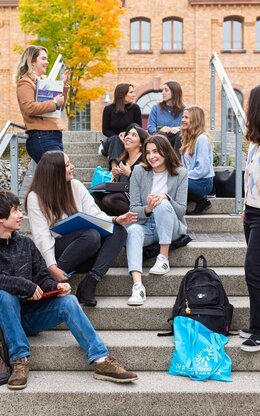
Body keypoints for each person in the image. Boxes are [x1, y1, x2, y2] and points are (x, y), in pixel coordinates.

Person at [0, 191, 138, 390]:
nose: (21, 215)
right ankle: (19, 361)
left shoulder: (25, 244)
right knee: (4, 295)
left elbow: (41, 276)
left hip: (29, 316)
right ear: (2, 218)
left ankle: (101, 360)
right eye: (15, 211)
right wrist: (26, 286)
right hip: (5, 319)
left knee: (69, 301)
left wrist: (55, 286)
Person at [25, 151, 138, 308]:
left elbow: (94, 213)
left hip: (85, 250)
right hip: (58, 254)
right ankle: (52, 282)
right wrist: (52, 267)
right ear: (54, 170)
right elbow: (41, 236)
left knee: (119, 230)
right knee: (90, 235)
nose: (72, 167)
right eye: (67, 165)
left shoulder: (76, 186)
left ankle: (90, 283)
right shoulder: (36, 197)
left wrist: (115, 219)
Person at [125, 134, 188, 306]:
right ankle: (138, 286)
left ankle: (163, 258)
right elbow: (134, 209)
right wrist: (148, 208)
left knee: (162, 203)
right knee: (132, 230)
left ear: (166, 152)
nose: (151, 156)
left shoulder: (180, 173)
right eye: (148, 152)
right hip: (147, 225)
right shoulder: (138, 171)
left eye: (156, 151)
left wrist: (165, 197)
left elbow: (182, 210)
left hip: (171, 225)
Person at [16, 45, 70, 163]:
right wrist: (54, 102)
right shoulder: (25, 82)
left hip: (53, 135)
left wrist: (63, 85)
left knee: (56, 178)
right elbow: (29, 108)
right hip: (41, 137)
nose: (47, 62)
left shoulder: (43, 83)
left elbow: (58, 109)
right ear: (32, 61)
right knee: (58, 175)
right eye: (43, 58)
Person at [239, 85, 260, 352]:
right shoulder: (254, 144)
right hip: (252, 212)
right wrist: (246, 205)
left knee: (253, 271)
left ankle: (258, 331)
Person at [93, 123, 148, 215]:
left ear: (141, 143)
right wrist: (116, 177)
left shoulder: (144, 160)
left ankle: (136, 216)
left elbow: (145, 186)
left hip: (136, 199)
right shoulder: (123, 159)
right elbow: (120, 185)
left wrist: (130, 174)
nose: (128, 137)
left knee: (110, 199)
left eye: (134, 135)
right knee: (95, 197)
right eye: (128, 134)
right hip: (122, 194)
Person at [180, 106, 214, 215]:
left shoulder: (202, 139)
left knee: (176, 181)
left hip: (203, 182)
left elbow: (203, 169)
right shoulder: (188, 138)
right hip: (192, 179)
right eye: (183, 117)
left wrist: (183, 175)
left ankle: (200, 200)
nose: (183, 120)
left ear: (195, 120)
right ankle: (197, 201)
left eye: (186, 117)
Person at [100, 83, 142, 169]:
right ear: (122, 94)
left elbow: (138, 128)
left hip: (129, 140)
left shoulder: (135, 108)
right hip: (112, 141)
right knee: (115, 139)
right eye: (131, 92)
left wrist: (126, 135)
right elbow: (105, 130)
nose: (134, 95)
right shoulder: (109, 109)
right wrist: (119, 136)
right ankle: (114, 167)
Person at [147, 81, 185, 158]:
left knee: (181, 134)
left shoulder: (184, 109)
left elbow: (188, 126)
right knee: (161, 134)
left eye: (166, 90)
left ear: (174, 92)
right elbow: (150, 127)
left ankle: (176, 161)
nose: (163, 93)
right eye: (162, 90)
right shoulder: (156, 108)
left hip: (177, 140)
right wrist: (161, 129)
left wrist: (178, 129)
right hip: (160, 140)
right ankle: (163, 159)